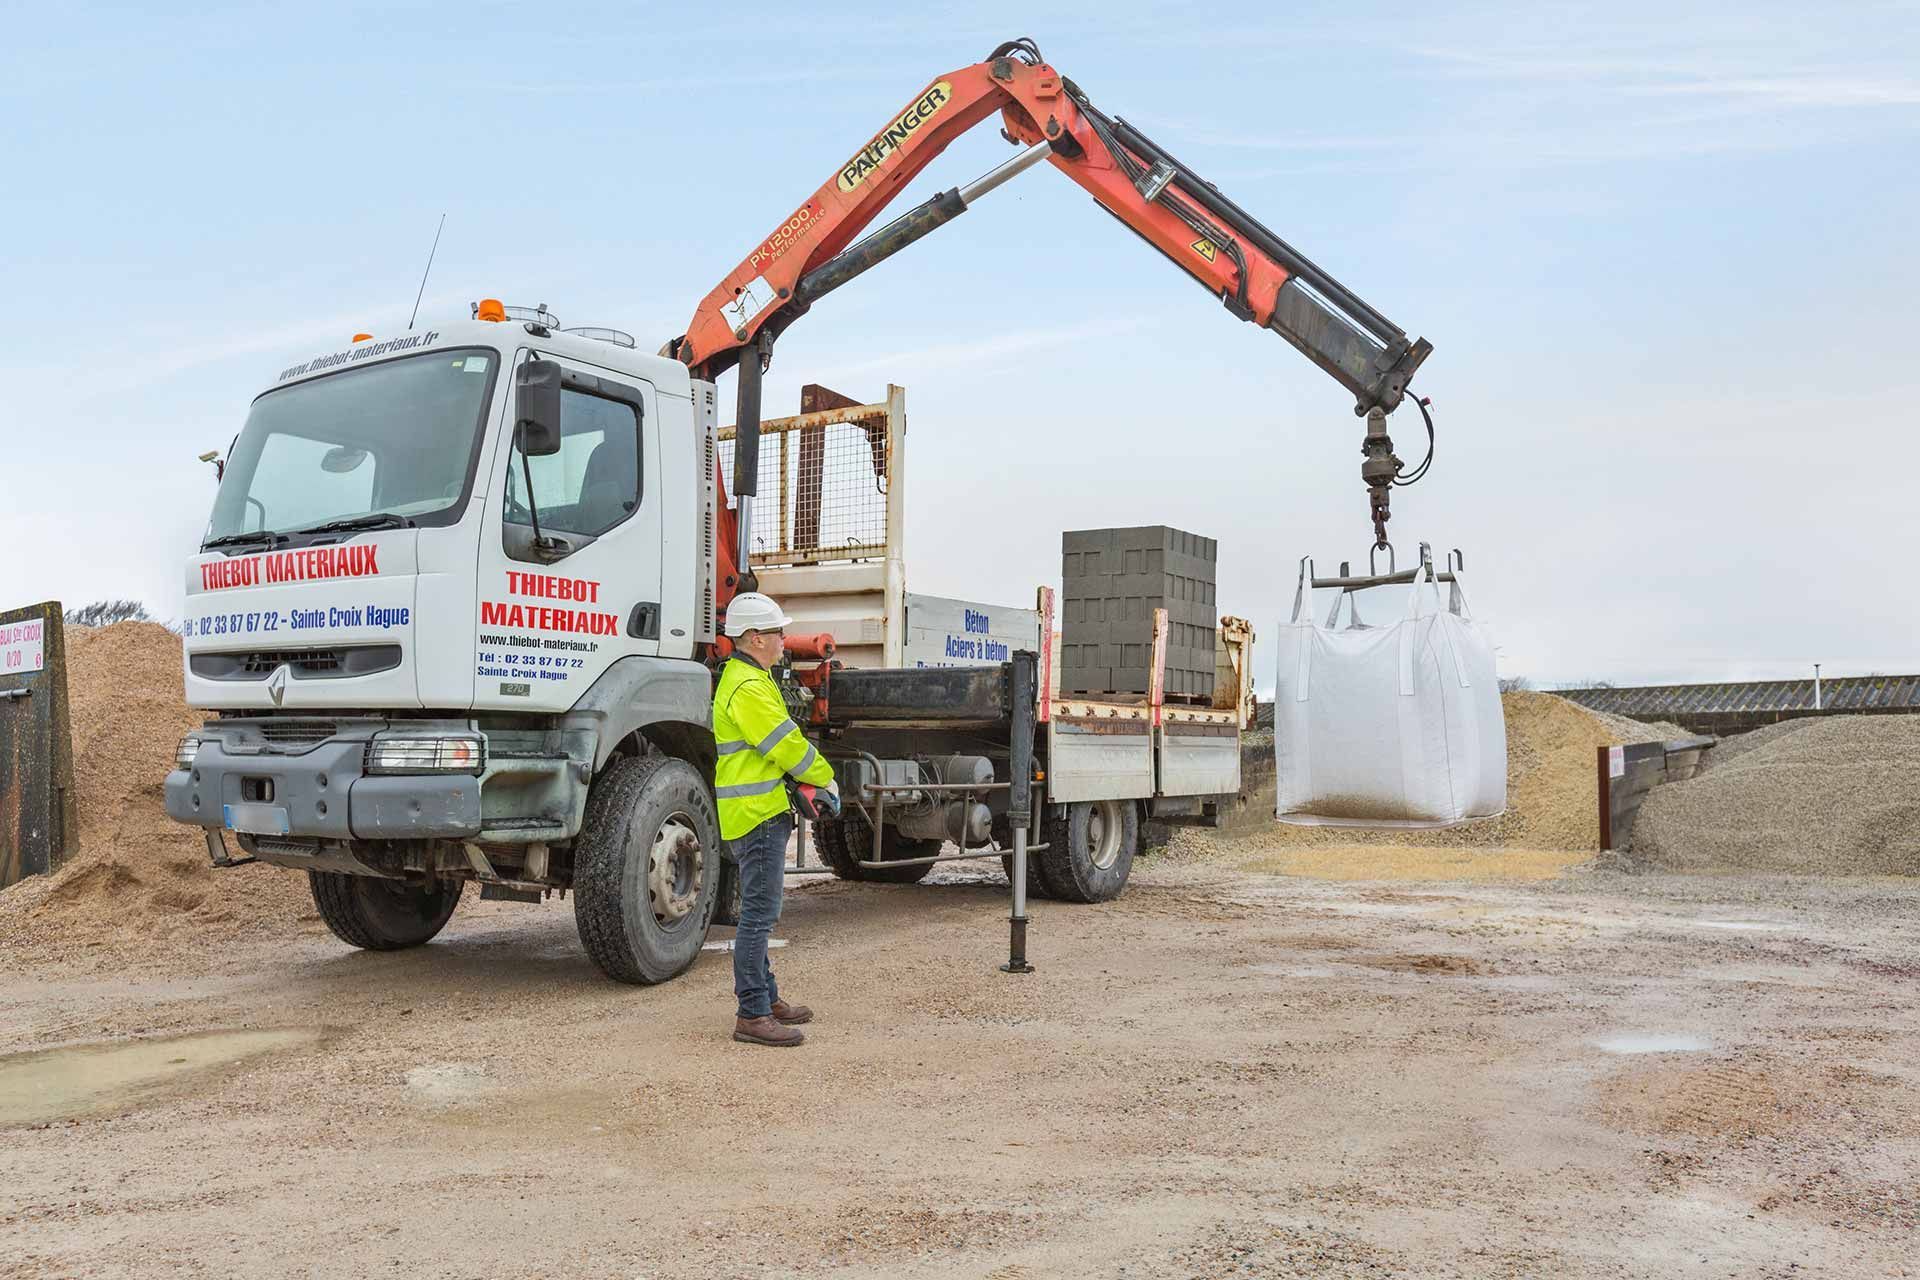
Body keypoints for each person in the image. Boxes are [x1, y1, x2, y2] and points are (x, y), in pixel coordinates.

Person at [711, 592, 839, 1047]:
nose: (785, 639)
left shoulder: (750, 678)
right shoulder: (748, 687)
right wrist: (825, 777)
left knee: (759, 913)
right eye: (777, 632)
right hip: (757, 814)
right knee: (759, 917)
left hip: (757, 811)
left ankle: (766, 997)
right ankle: (752, 1013)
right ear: (755, 638)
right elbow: (785, 745)